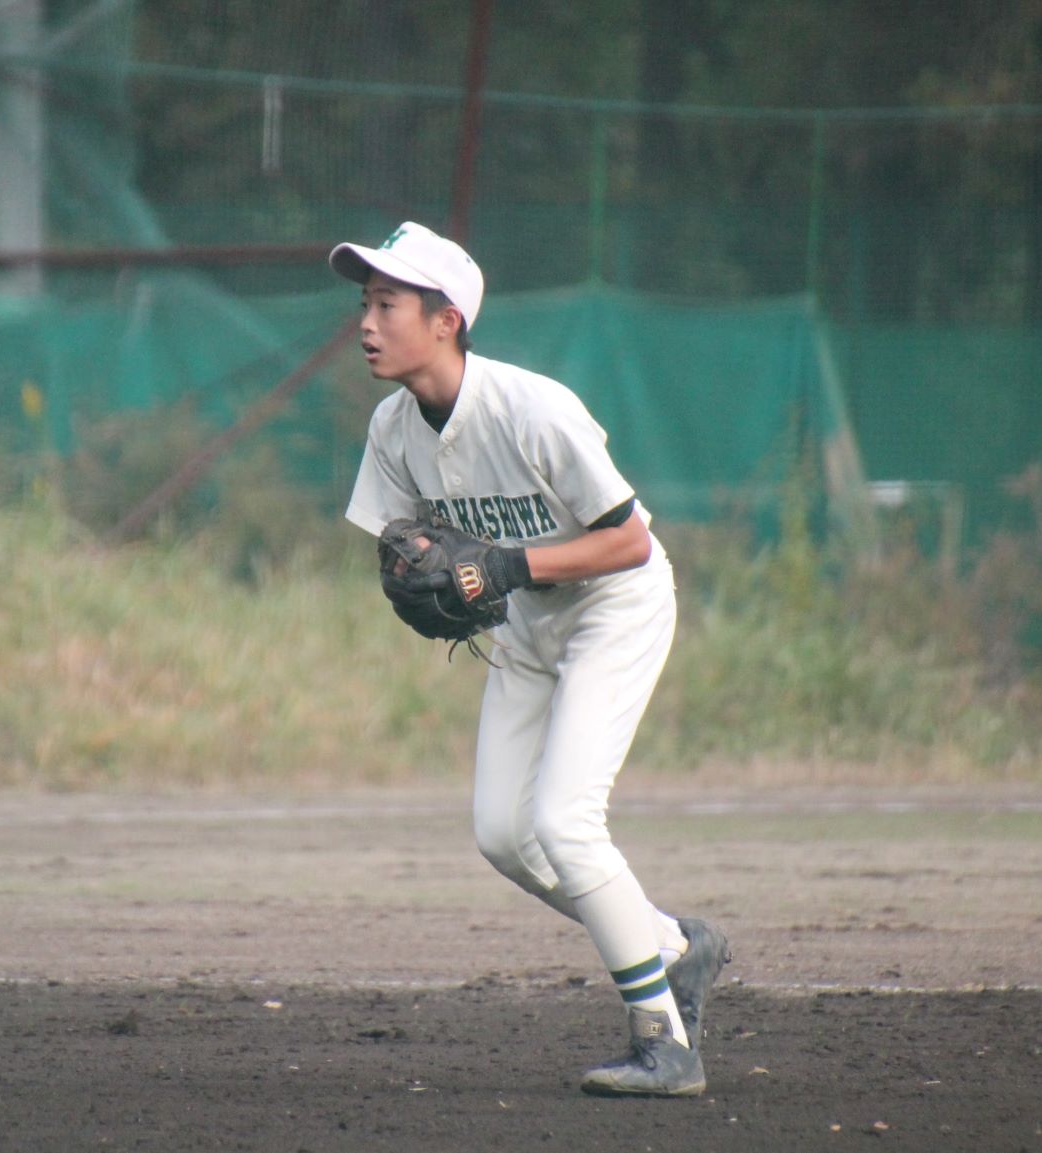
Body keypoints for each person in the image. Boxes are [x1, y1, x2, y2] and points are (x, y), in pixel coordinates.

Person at [331, 221, 732, 1097]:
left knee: (564, 823)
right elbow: (405, 545)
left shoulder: (531, 409)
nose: (366, 322)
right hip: (526, 627)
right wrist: (418, 578)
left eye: (387, 303)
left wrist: (503, 566)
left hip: (612, 610)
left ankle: (665, 1043)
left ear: (446, 320)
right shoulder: (393, 427)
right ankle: (674, 946)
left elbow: (628, 541)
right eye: (364, 302)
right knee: (504, 837)